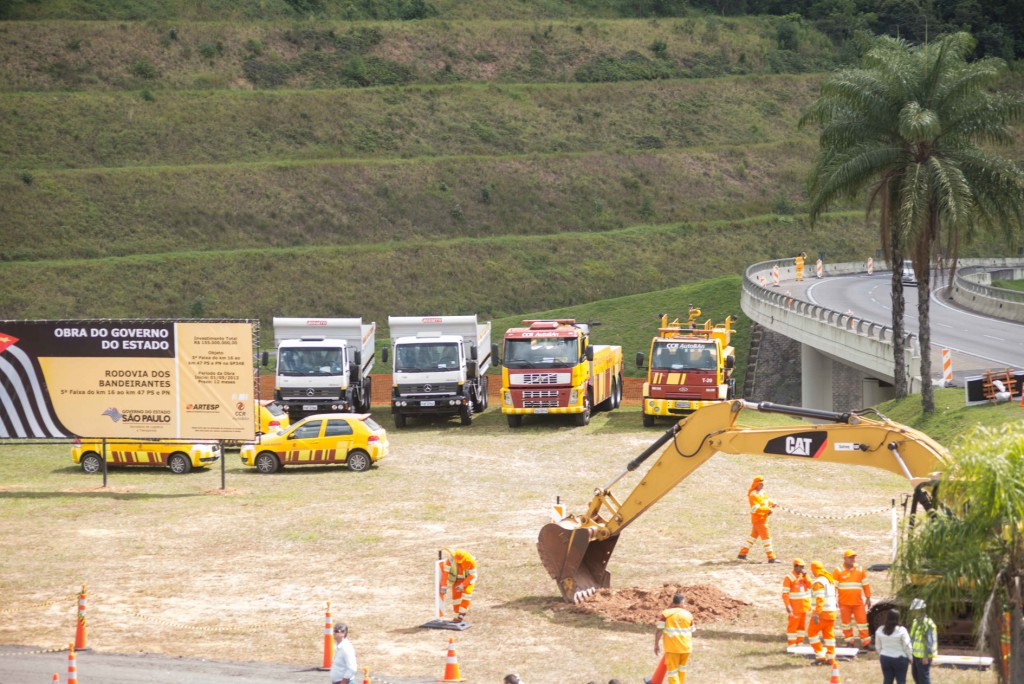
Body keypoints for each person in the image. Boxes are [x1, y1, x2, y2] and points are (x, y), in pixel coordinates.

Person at [833, 549, 872, 648]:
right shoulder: (838, 570)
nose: (852, 559)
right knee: (846, 624)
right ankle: (849, 641)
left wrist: (868, 597)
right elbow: (833, 587)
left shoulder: (860, 569)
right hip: (844, 603)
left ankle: (866, 643)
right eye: (850, 557)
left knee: (862, 622)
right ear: (845, 558)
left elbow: (865, 584)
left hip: (858, 603)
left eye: (853, 557)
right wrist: (833, 599)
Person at [654, 592, 694, 684]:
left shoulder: (666, 614)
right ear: (681, 603)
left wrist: (656, 644)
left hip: (672, 649)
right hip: (686, 648)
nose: (685, 605)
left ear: (673, 602)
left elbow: (659, 630)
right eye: (684, 603)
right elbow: (692, 629)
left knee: (672, 673)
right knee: (681, 671)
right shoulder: (688, 615)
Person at [738, 476, 778, 562]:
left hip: (763, 519)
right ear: (756, 484)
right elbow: (755, 509)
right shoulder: (753, 495)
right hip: (758, 520)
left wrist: (772, 503)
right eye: (760, 484)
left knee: (752, 538)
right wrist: (767, 509)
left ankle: (742, 554)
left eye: (763, 484)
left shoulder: (763, 493)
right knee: (767, 538)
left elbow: (766, 501)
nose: (762, 486)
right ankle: (771, 558)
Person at [807, 560, 838, 665]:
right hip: (832, 613)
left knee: (811, 632)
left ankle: (820, 656)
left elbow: (820, 598)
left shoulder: (819, 582)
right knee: (829, 636)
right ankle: (831, 658)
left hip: (823, 613)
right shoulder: (829, 580)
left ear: (814, 570)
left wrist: (817, 613)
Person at [439, 548, 478, 623]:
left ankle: (462, 614)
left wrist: (463, 585)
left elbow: (471, 575)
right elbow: (445, 573)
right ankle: (457, 615)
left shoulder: (471, 561)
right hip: (456, 580)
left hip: (468, 580)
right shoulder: (450, 560)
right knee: (455, 598)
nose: (456, 562)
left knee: (466, 595)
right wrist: (444, 586)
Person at [875, 608, 913, 684]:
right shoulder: (901, 630)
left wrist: (882, 654)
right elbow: (907, 645)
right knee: (901, 681)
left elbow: (878, 646)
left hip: (885, 658)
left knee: (887, 680)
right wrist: (910, 657)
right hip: (899, 658)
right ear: (898, 618)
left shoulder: (880, 630)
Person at [782, 558, 811, 647]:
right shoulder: (789, 578)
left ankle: (800, 643)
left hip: (803, 607)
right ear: (795, 567)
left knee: (801, 627)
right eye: (800, 567)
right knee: (793, 627)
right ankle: (791, 645)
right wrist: (787, 605)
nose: (802, 569)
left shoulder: (804, 576)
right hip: (795, 608)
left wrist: (806, 576)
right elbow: (785, 593)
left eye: (803, 567)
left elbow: (811, 585)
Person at [909, 598, 938, 684]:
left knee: (924, 679)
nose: (914, 612)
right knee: (916, 676)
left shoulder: (927, 623)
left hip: (924, 656)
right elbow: (913, 639)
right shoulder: (915, 622)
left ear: (921, 610)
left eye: (916, 610)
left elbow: (929, 641)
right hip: (915, 655)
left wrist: (926, 656)